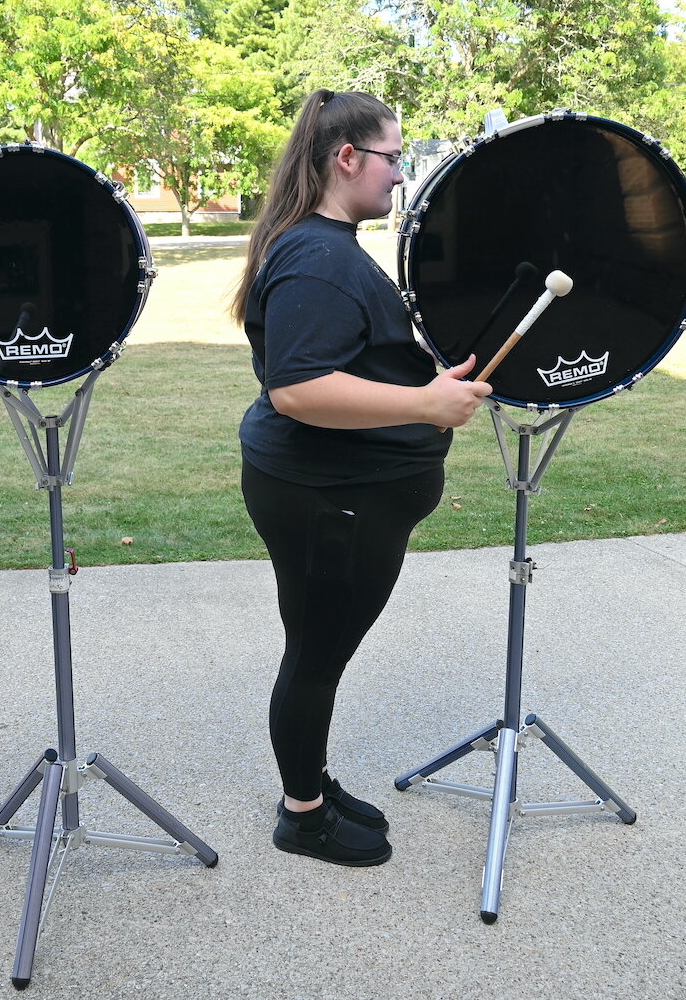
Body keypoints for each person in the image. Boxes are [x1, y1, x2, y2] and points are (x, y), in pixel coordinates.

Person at [232, 90, 492, 867]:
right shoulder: (318, 254)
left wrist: (425, 384)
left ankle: (308, 781)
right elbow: (299, 387)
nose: (398, 174)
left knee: (319, 647)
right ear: (347, 159)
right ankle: (301, 816)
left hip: (339, 492)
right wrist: (423, 401)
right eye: (392, 157)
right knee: (315, 654)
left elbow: (347, 361)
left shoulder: (322, 242)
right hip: (328, 497)